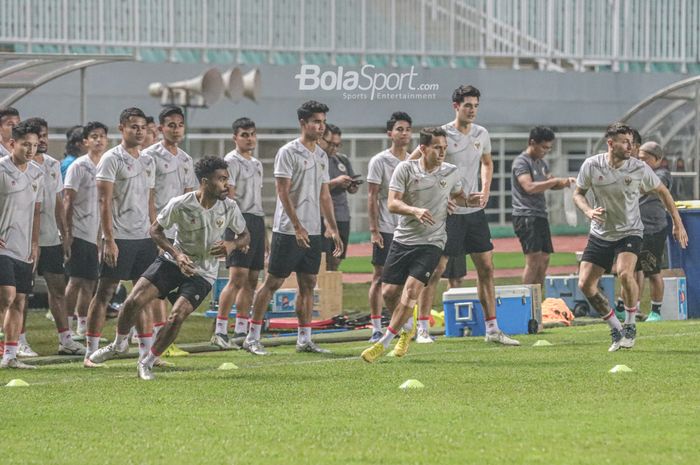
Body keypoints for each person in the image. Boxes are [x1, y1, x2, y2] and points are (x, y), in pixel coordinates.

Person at [89, 156, 249, 380]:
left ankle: (147, 362)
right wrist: (177, 254)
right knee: (133, 301)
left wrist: (232, 245)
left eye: (227, 179)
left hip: (202, 272)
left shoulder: (229, 207)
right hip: (172, 261)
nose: (226, 185)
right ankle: (119, 344)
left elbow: (244, 235)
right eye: (221, 179)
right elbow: (155, 230)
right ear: (205, 182)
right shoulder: (181, 203)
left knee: (177, 316)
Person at [416, 85, 520, 346]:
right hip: (447, 213)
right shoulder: (441, 134)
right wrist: (438, 196)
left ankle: (492, 329)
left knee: (486, 267)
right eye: (467, 106)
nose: (472, 110)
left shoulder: (481, 133)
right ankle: (422, 329)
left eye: (475, 106)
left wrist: (485, 190)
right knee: (436, 269)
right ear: (456, 107)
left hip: (474, 211)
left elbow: (487, 162)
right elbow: (414, 163)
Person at [360, 127, 474, 363]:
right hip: (403, 238)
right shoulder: (405, 169)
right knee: (389, 292)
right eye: (437, 148)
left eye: (444, 148)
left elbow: (458, 193)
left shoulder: (451, 172)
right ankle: (406, 326)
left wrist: (467, 199)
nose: (442, 152)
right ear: (423, 149)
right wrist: (415, 210)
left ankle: (383, 343)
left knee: (411, 290)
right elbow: (392, 203)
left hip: (433, 241)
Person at [573, 123, 688, 352]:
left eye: (632, 142)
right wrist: (588, 211)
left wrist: (678, 222)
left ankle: (630, 325)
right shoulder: (592, 165)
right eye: (625, 141)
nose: (630, 146)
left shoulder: (638, 168)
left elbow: (663, 192)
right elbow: (578, 193)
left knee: (625, 273)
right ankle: (615, 327)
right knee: (585, 285)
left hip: (630, 230)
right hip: (601, 233)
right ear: (610, 143)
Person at [241, 100, 343, 356]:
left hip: (314, 231)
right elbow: (282, 192)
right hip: (288, 231)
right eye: (316, 122)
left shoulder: (321, 155)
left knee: (308, 283)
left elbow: (324, 195)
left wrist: (332, 227)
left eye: (323, 122)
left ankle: (304, 339)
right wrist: (297, 226)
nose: (321, 127)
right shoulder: (287, 152)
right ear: (303, 123)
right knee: (273, 282)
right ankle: (251, 336)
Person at [83, 107, 158, 367]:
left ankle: (146, 354)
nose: (139, 131)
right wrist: (109, 239)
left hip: (144, 238)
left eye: (142, 127)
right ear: (122, 129)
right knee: (104, 293)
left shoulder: (148, 160)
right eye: (133, 126)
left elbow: (149, 200)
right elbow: (103, 201)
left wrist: (154, 231)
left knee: (142, 295)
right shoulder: (111, 158)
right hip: (120, 237)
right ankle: (90, 352)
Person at [21, 117, 86, 356]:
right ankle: (19, 341)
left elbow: (59, 201)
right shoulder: (16, 165)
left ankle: (66, 340)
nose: (43, 141)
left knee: (58, 289)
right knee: (20, 295)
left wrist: (65, 233)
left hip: (50, 239)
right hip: (23, 241)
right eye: (39, 137)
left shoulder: (51, 164)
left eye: (45, 136)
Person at [144, 105, 197, 358]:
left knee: (169, 284)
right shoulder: (150, 156)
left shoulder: (186, 159)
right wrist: (156, 230)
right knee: (156, 285)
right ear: (160, 128)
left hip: (179, 232)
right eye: (171, 125)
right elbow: (148, 195)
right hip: (158, 230)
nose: (176, 130)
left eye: (180, 125)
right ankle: (156, 339)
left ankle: (162, 340)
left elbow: (188, 198)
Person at [212, 117, 266, 349]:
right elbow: (229, 196)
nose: (249, 138)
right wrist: (238, 230)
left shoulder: (256, 163)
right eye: (244, 134)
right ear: (235, 137)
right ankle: (220, 329)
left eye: (252, 134)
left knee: (252, 279)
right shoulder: (230, 161)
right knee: (236, 278)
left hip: (257, 220)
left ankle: (241, 329)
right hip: (239, 220)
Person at [0, 121, 44, 369]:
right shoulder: (2, 169)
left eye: (35, 145)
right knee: (6, 295)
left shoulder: (37, 172)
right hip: (2, 245)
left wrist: (35, 243)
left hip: (23, 247)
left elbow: (36, 211)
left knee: (19, 301)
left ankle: (10, 356)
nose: (30, 149)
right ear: (12, 144)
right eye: (26, 144)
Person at [366, 111, 412, 342]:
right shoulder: (379, 161)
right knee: (379, 277)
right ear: (390, 133)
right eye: (399, 129)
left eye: (407, 129)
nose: (404, 134)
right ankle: (376, 326)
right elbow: (372, 196)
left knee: (404, 280)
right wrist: (374, 230)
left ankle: (403, 324)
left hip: (408, 229)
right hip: (385, 226)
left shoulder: (414, 160)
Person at [511, 126, 575, 288]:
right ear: (532, 142)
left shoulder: (541, 163)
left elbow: (551, 182)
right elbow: (529, 187)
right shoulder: (521, 162)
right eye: (544, 147)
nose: (546, 151)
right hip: (525, 215)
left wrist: (567, 182)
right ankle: (524, 299)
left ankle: (537, 299)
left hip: (540, 215)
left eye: (549, 148)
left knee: (545, 258)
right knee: (533, 259)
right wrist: (553, 182)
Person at [64, 122, 108, 341]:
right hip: (80, 231)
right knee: (76, 281)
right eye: (94, 136)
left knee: (90, 282)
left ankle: (82, 326)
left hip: (97, 235)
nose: (98, 140)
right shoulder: (79, 166)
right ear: (85, 142)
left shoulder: (108, 165)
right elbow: (67, 200)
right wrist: (67, 232)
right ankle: (66, 327)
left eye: (102, 136)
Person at [636, 142, 673, 322]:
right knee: (633, 270)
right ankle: (632, 308)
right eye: (639, 158)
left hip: (653, 228)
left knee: (652, 269)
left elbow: (648, 188)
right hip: (635, 228)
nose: (640, 162)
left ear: (657, 160)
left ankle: (656, 311)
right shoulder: (636, 172)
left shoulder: (662, 174)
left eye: (645, 159)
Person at [318, 124, 358, 271]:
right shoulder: (316, 159)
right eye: (331, 144)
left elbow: (353, 189)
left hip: (342, 215)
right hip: (322, 215)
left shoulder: (342, 160)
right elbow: (314, 189)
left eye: (337, 145)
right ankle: (320, 290)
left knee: (336, 258)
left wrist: (351, 185)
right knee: (322, 258)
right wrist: (336, 182)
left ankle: (332, 288)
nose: (334, 148)